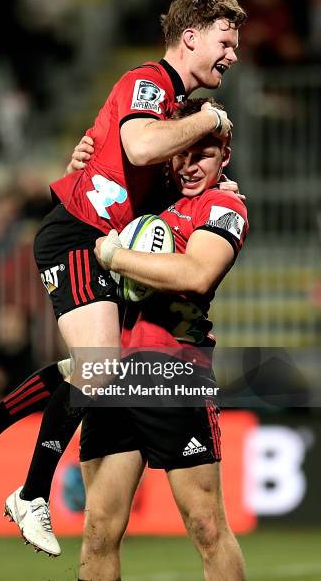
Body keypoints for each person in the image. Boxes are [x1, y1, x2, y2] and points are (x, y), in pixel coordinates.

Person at [0, 0, 246, 555]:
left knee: (93, 370)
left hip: (85, 232)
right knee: (102, 367)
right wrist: (208, 120)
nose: (232, 55)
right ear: (191, 37)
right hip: (78, 236)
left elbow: (123, 150)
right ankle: (31, 493)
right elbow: (137, 143)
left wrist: (198, 175)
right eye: (225, 42)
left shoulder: (166, 106)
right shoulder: (151, 81)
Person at [78, 97, 248, 581]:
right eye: (183, 153)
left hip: (174, 372)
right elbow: (81, 200)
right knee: (98, 530)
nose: (192, 165)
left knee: (206, 526)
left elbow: (196, 273)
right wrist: (77, 167)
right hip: (111, 371)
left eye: (206, 153)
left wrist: (114, 255)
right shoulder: (146, 197)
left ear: (226, 157)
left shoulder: (224, 205)